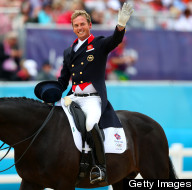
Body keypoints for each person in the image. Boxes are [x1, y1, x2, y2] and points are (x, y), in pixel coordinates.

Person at [35, 3, 133, 185]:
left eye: (82, 24)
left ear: (89, 25)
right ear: (73, 28)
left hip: (92, 100)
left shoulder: (99, 44)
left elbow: (115, 41)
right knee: (53, 122)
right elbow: (63, 80)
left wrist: (120, 26)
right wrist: (52, 92)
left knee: (90, 124)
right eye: (76, 25)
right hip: (73, 98)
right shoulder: (68, 52)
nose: (79, 28)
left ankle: (100, 167)